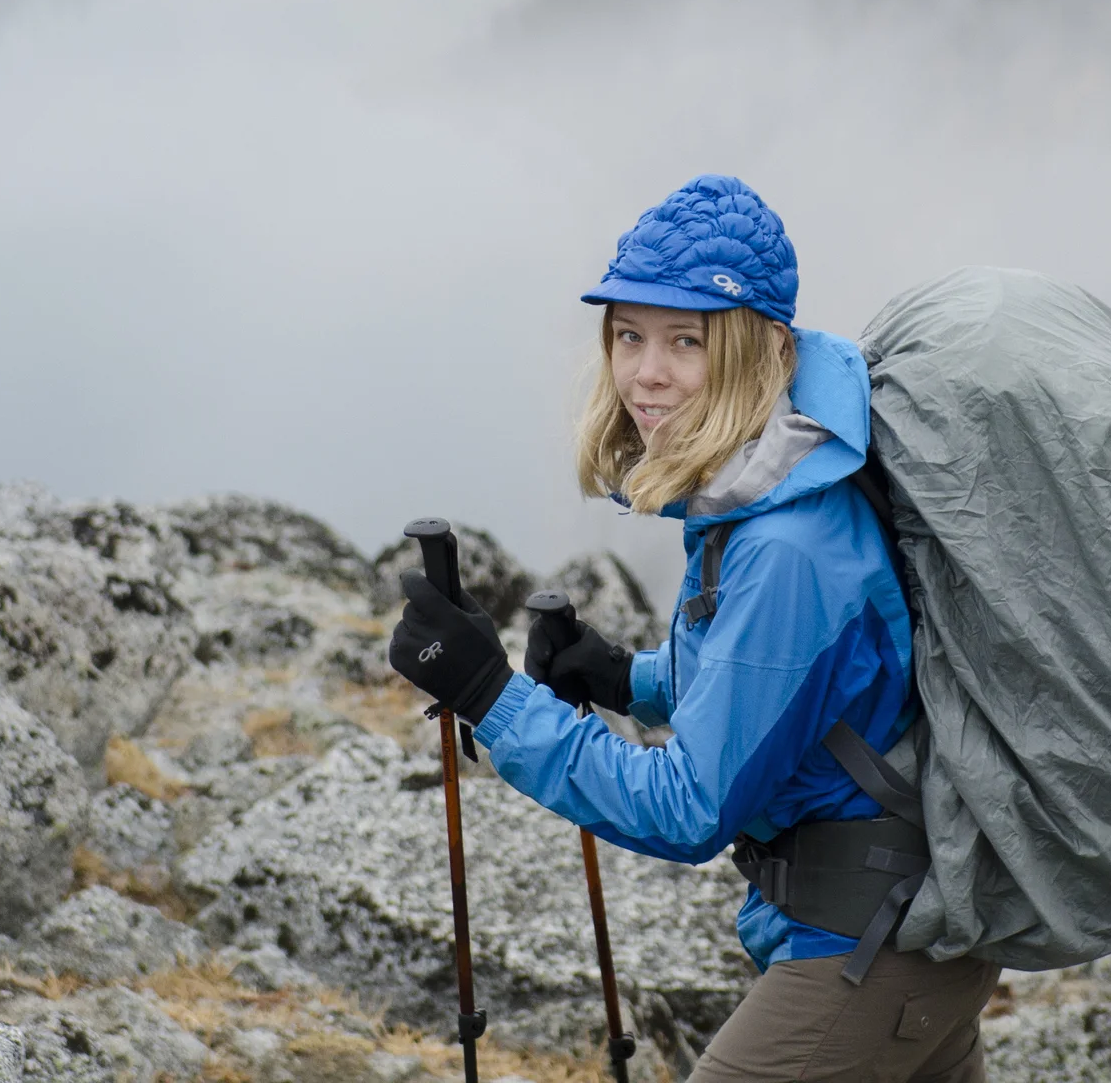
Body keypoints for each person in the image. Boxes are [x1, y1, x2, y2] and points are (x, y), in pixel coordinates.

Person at [388, 174, 999, 1083]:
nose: (647, 372)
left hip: (871, 946)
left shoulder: (787, 546)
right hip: (893, 933)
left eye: (687, 341)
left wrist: (492, 696)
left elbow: (687, 810)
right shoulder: (767, 488)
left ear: (765, 349)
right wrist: (622, 679)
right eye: (629, 335)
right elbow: (797, 687)